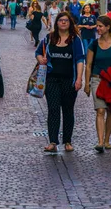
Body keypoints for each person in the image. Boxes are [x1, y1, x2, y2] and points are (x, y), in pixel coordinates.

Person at [36, 11, 84, 153]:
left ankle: (67, 141)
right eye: (60, 20)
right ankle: (53, 142)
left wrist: (79, 79)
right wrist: (40, 59)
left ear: (70, 23)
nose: (63, 22)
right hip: (51, 80)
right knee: (53, 109)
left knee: (68, 110)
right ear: (56, 23)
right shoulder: (49, 38)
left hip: (69, 80)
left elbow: (80, 60)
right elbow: (38, 52)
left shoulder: (75, 40)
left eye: (66, 21)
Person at [84, 15, 111, 153]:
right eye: (97, 26)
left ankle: (107, 140)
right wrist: (87, 83)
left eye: (100, 26)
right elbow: (88, 65)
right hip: (97, 80)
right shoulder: (94, 44)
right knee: (100, 110)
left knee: (110, 110)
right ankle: (100, 141)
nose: (97, 28)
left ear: (108, 27)